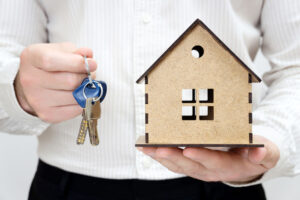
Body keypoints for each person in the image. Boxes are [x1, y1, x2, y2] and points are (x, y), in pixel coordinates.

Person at [0, 1, 300, 199]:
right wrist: (17, 89)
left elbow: (295, 65)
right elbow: (5, 47)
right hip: (68, 184)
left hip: (226, 182)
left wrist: (273, 136)